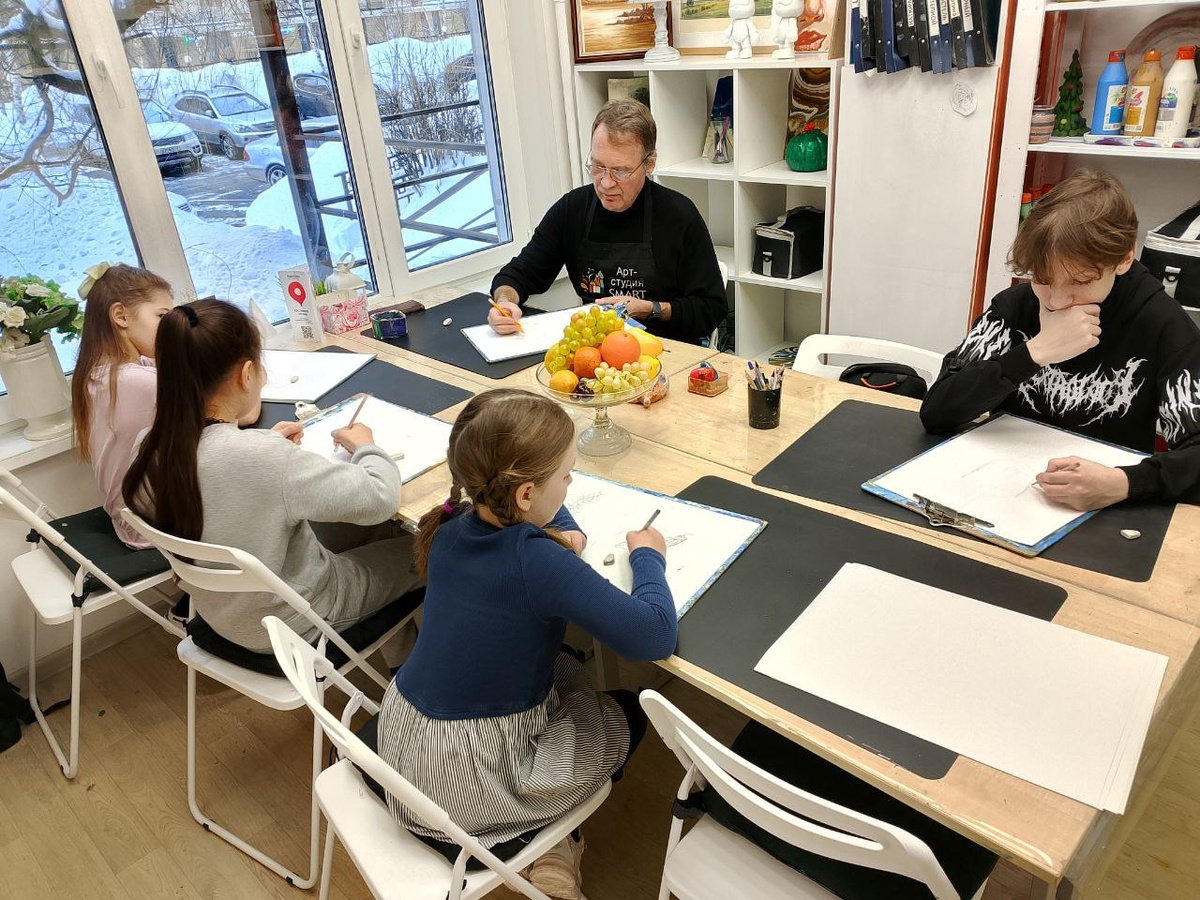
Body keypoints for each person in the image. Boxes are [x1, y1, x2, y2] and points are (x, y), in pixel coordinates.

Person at [373, 389, 677, 899]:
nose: (571, 483)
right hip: (471, 784)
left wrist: (562, 529)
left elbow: (540, 524)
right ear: (526, 494)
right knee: (628, 709)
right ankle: (550, 840)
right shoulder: (538, 562)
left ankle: (546, 831)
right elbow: (653, 636)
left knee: (565, 663)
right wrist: (649, 557)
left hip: (403, 746)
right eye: (566, 476)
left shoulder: (449, 524)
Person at [122, 299, 421, 653]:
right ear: (247, 373)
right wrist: (366, 445)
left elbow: (223, 481)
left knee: (362, 529)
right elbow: (380, 498)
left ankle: (401, 655)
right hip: (298, 619)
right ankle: (418, 672)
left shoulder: (147, 447)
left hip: (224, 615)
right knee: (433, 544)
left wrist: (265, 449)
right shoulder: (261, 457)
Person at [921, 170, 1200, 510]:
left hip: (1106, 510)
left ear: (1125, 258)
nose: (1056, 301)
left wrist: (1124, 483)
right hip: (1002, 490)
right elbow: (936, 411)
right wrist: (1035, 351)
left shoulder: (1164, 325)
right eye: (1043, 278)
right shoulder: (1015, 307)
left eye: (1080, 282)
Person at [488, 99, 727, 345]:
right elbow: (518, 274)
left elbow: (711, 308)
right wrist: (505, 303)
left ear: (649, 164)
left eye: (620, 171)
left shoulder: (679, 216)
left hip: (666, 348)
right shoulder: (572, 210)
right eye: (598, 166)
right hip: (596, 349)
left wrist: (650, 309)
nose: (606, 183)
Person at [70, 263, 174, 548]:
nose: (171, 327)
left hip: (129, 522)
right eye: (162, 316)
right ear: (121, 316)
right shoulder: (136, 382)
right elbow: (232, 412)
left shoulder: (96, 375)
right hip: (156, 530)